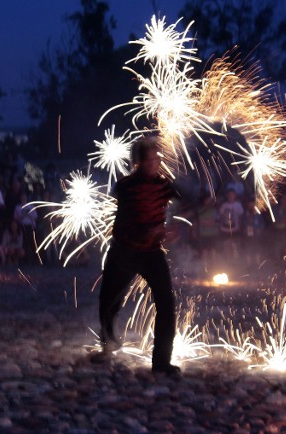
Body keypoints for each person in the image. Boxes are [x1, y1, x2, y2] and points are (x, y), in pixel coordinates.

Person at [98, 137, 181, 375]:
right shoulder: (125, 187)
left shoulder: (165, 186)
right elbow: (122, 223)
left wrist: (177, 228)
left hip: (151, 253)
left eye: (157, 159)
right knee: (109, 298)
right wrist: (146, 230)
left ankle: (162, 362)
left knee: (166, 303)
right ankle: (107, 341)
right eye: (150, 160)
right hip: (124, 251)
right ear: (138, 162)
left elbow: (187, 205)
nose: (155, 163)